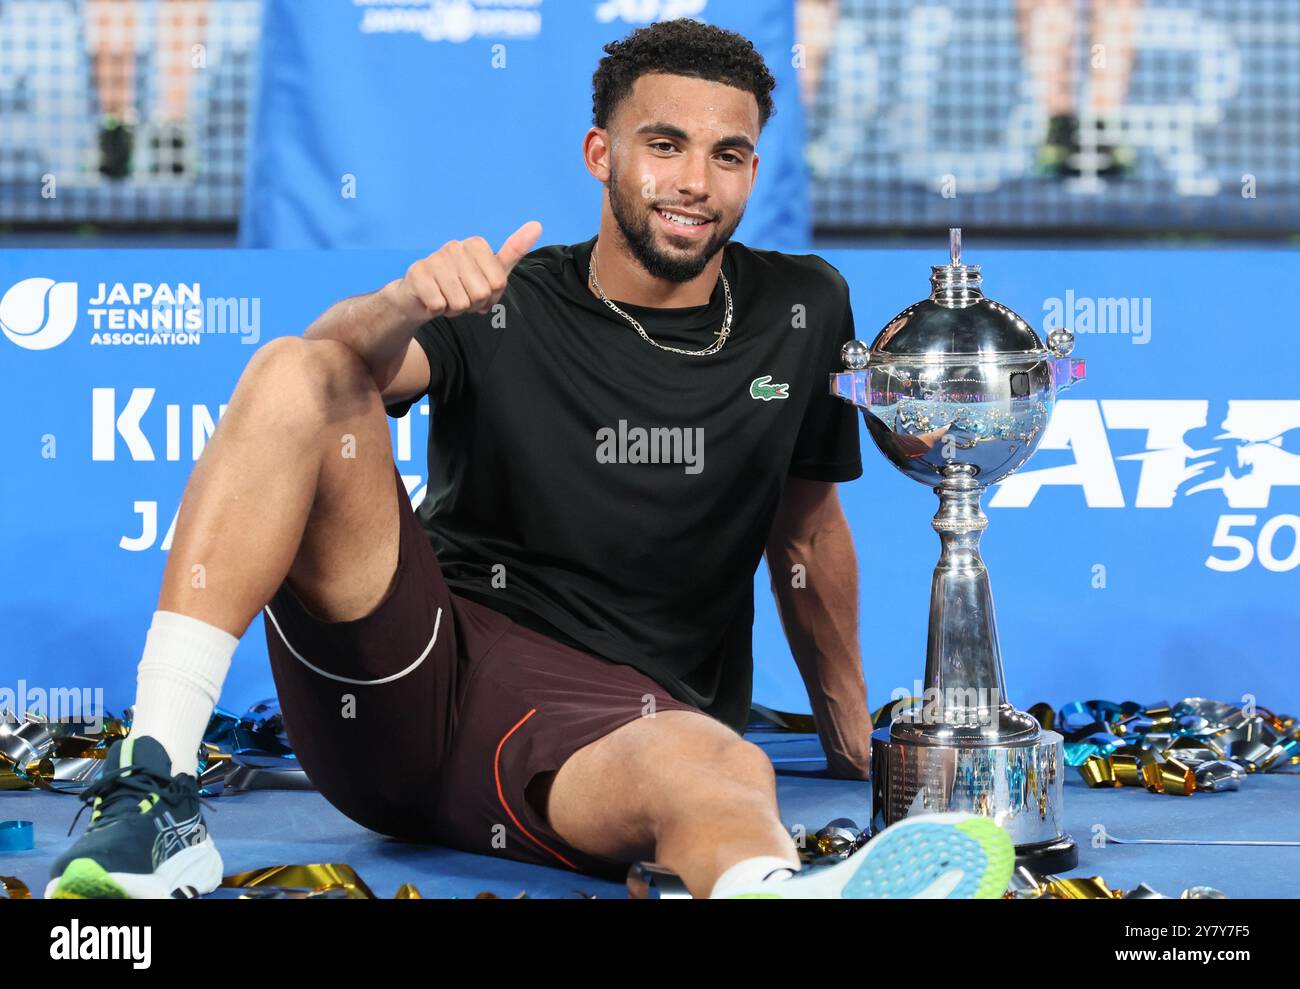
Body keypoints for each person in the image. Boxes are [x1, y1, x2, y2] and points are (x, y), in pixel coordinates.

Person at [48, 18, 1014, 900]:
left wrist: (848, 727)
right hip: (408, 667)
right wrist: (403, 303)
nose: (695, 182)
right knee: (300, 367)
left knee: (720, 768)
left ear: (754, 171)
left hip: (611, 727)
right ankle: (152, 785)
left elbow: (805, 528)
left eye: (729, 155)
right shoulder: (508, 299)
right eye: (664, 145)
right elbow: (333, 379)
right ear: (602, 154)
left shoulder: (802, 305)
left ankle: (773, 888)